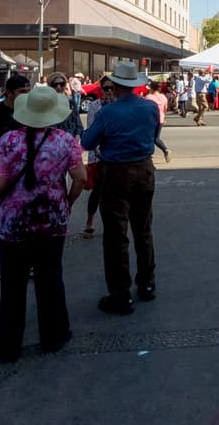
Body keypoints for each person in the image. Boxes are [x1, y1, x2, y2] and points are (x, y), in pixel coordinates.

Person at [0, 84, 88, 363]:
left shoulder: (8, 141)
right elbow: (80, 179)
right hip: (52, 220)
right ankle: (55, 335)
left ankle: (8, 343)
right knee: (50, 278)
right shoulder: (65, 141)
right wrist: (69, 202)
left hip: (13, 223)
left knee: (13, 285)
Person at [80, 60, 160, 315]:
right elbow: (154, 133)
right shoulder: (149, 108)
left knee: (116, 235)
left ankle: (120, 293)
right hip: (144, 168)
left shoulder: (108, 112)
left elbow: (88, 142)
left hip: (116, 172)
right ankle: (147, 283)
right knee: (143, 227)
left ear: (114, 86)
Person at [81, 76, 116, 239]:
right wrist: (96, 149)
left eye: (111, 88)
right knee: (97, 190)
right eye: (105, 88)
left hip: (116, 155)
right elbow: (91, 129)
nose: (109, 91)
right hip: (98, 154)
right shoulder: (95, 105)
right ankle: (89, 221)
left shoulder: (118, 104)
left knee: (115, 191)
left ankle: (113, 222)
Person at [46, 72, 85, 142]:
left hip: (70, 141)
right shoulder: (46, 102)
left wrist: (78, 134)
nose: (58, 87)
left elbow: (78, 121)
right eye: (55, 84)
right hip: (52, 143)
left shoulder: (71, 101)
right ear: (49, 86)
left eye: (61, 84)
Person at [144, 79, 172, 163]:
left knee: (150, 137)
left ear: (151, 88)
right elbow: (165, 109)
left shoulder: (148, 97)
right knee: (155, 138)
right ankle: (165, 151)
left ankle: (150, 153)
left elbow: (145, 109)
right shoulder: (163, 97)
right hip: (160, 119)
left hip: (151, 119)